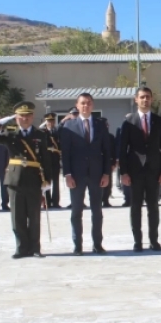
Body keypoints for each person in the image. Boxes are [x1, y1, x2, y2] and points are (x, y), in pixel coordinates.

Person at [0, 101, 54, 259]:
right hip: (15, 179)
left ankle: (35, 248)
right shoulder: (10, 134)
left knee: (34, 216)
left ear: (32, 117)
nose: (25, 119)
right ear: (16, 118)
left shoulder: (40, 135)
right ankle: (21, 248)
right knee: (18, 217)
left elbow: (46, 159)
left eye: (28, 116)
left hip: (34, 179)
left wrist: (48, 180)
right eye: (22, 116)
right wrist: (0, 122)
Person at [59, 93, 113, 255]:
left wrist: (106, 173)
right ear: (77, 105)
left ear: (93, 105)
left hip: (97, 175)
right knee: (76, 211)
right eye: (82, 103)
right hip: (76, 175)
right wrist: (67, 174)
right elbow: (65, 153)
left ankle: (97, 244)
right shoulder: (69, 126)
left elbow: (107, 151)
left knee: (97, 211)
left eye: (88, 103)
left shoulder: (100, 125)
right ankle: (78, 245)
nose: (86, 106)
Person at [118, 87, 161, 252]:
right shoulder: (128, 122)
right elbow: (122, 149)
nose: (145, 100)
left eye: (148, 97)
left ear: (152, 99)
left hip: (154, 171)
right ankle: (137, 241)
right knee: (135, 207)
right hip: (135, 172)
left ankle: (154, 240)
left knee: (153, 206)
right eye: (142, 97)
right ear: (136, 100)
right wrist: (124, 172)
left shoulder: (159, 121)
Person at [39, 113, 63, 209]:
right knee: (47, 181)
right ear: (46, 122)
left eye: (52, 121)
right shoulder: (42, 132)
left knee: (56, 182)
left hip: (55, 158)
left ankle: (56, 202)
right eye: (48, 121)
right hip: (46, 159)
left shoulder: (57, 132)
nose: (50, 123)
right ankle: (48, 202)